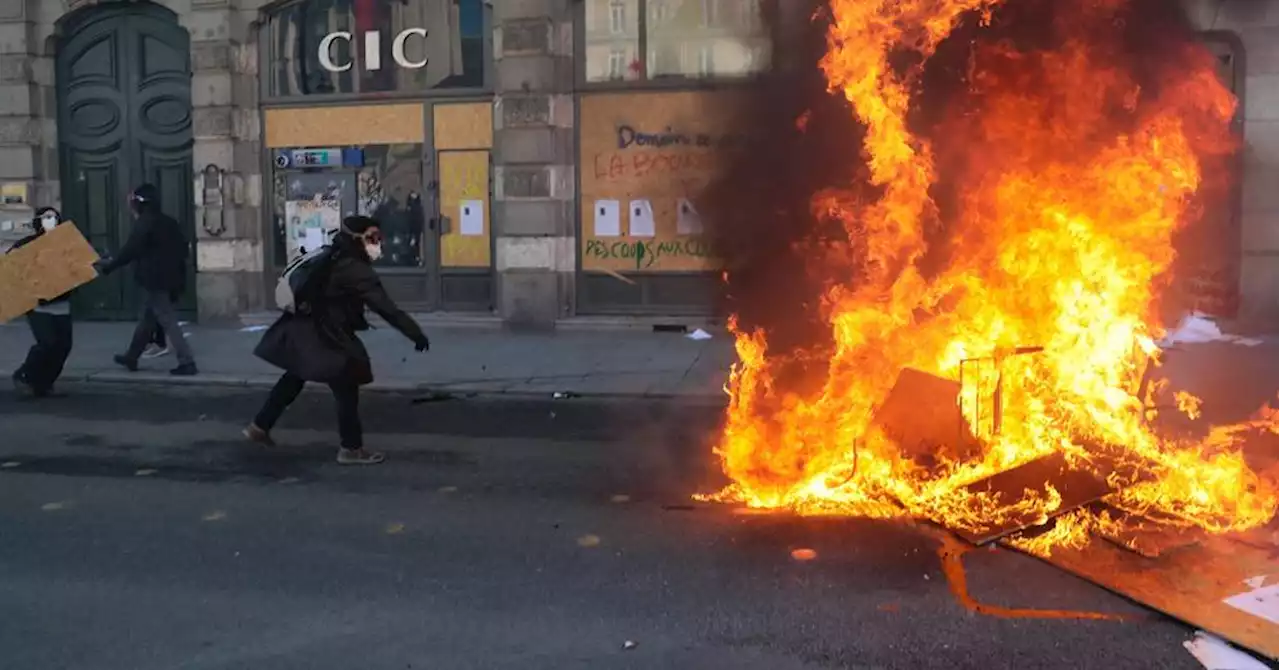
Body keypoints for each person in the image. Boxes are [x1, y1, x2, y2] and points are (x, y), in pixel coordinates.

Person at [245, 215, 429, 465]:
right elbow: (386, 308)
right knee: (346, 384)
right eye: (373, 238)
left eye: (379, 238)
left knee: (295, 376)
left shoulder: (333, 255)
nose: (378, 244)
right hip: (327, 335)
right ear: (358, 239)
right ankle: (351, 448)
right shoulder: (355, 269)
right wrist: (415, 333)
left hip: (306, 327)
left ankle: (259, 426)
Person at [94, 184, 197, 376]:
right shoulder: (169, 222)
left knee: (167, 320)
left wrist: (110, 266)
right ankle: (132, 357)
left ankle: (187, 361)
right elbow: (184, 249)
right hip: (173, 278)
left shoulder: (145, 223)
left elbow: (130, 250)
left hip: (156, 280)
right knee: (148, 320)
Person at [10, 208, 75, 397]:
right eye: (47, 218)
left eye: (54, 218)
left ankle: (45, 383)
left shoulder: (67, 245)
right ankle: (25, 375)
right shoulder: (26, 244)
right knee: (47, 343)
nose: (51, 221)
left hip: (62, 302)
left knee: (63, 346)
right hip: (38, 304)